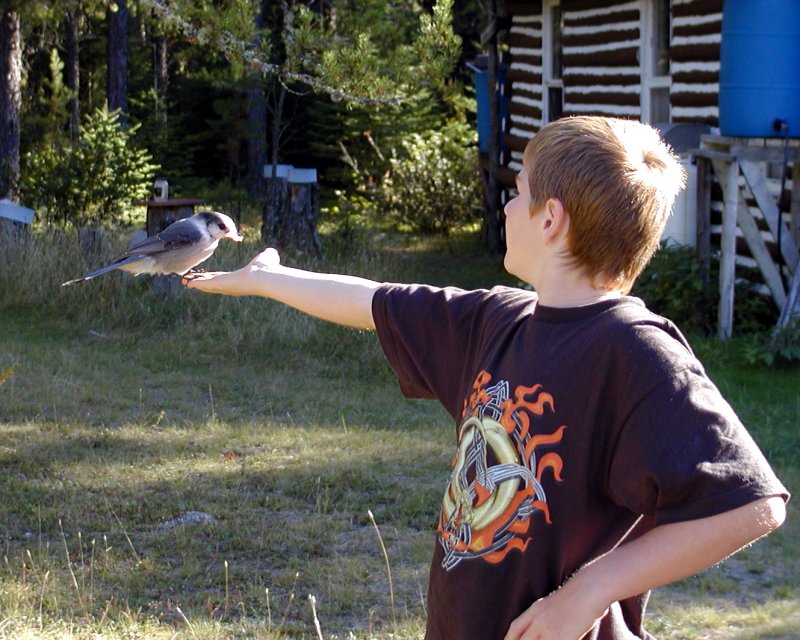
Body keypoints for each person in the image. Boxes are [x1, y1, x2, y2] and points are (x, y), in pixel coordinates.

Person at [184, 116, 788, 640]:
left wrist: (588, 592)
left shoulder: (635, 353)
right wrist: (268, 279)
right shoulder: (497, 319)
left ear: (550, 218)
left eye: (517, 193)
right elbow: (374, 302)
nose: (505, 205)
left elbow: (751, 504)